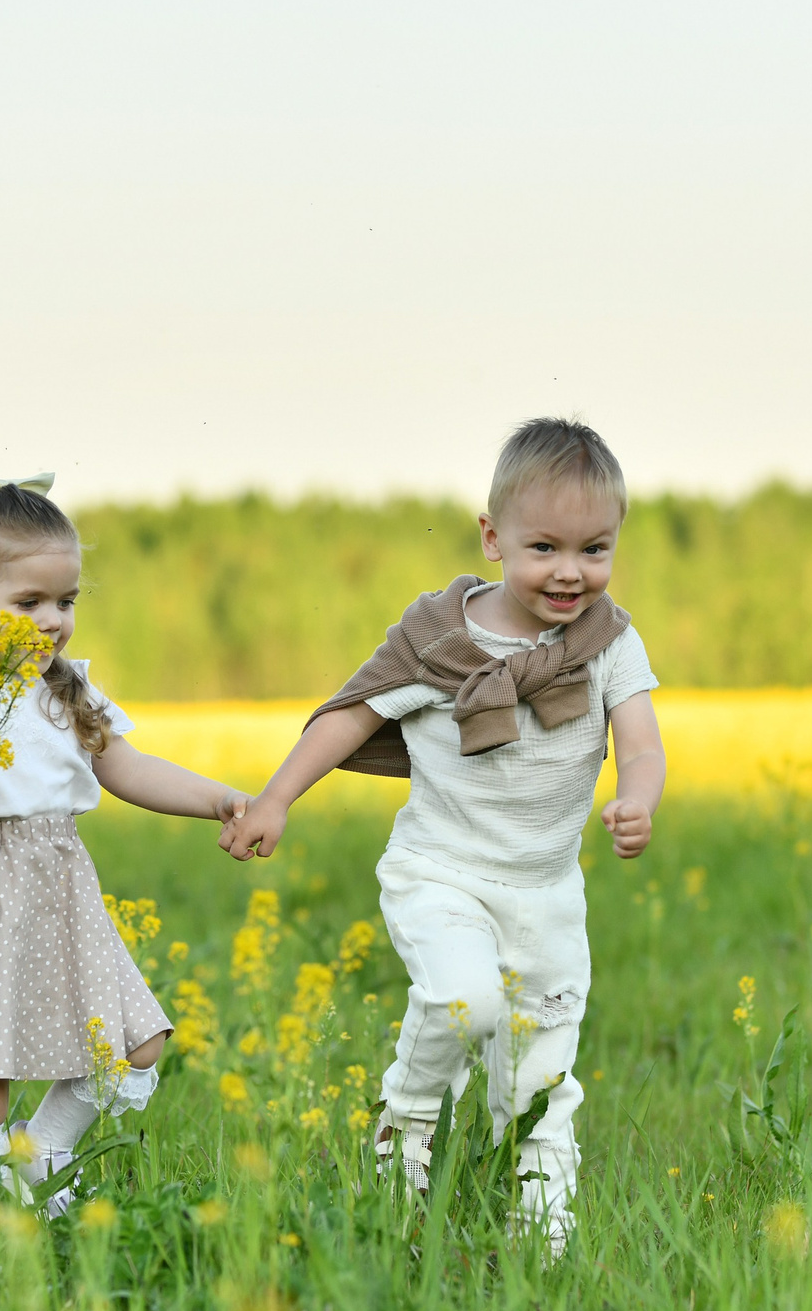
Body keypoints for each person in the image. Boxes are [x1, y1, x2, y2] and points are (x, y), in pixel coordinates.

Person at [220, 420, 666, 1254]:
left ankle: (545, 1247)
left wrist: (636, 797)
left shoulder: (609, 642)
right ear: (493, 538)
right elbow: (350, 714)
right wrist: (276, 797)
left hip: (547, 893)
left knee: (541, 1074)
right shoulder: (438, 640)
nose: (571, 571)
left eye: (595, 548)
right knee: (468, 1001)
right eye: (544, 546)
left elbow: (640, 740)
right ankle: (410, 1122)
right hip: (442, 872)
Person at [0, 475, 251, 1222]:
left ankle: (32, 1166)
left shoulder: (67, 692)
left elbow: (129, 767)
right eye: (28, 603)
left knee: (136, 1042)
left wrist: (220, 799)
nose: (52, 621)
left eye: (65, 602)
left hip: (58, 897)